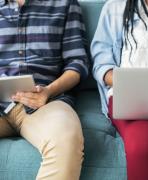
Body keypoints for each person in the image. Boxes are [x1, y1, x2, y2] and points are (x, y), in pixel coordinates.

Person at [91, 0, 148, 180]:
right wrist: (125, 82)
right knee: (144, 143)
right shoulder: (114, 8)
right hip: (131, 99)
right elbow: (102, 64)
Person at [0, 0, 89, 179]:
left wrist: (48, 91)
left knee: (66, 139)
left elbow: (78, 63)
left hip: (47, 101)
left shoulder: (66, 3)